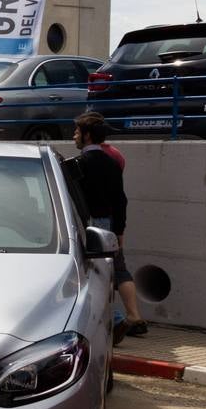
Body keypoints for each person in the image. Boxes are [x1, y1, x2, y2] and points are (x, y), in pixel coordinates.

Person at [73, 113, 147, 341]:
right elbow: (120, 200)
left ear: (86, 136)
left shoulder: (79, 165)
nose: (74, 136)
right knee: (119, 268)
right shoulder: (112, 163)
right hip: (109, 223)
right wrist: (120, 230)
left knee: (90, 275)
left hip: (88, 224)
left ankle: (114, 320)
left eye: (77, 132)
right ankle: (130, 316)